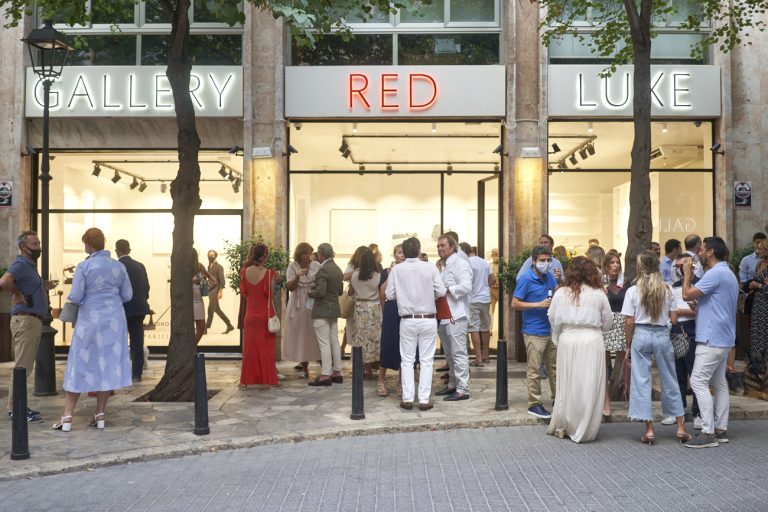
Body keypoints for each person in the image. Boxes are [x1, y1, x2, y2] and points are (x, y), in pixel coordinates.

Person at [53, 228, 133, 432]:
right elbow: (128, 294)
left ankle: (68, 416)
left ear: (88, 245)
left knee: (79, 363)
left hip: (89, 319)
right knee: (107, 364)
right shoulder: (119, 266)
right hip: (114, 320)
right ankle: (100, 413)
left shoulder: (84, 266)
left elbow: (76, 296)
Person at [622, 251, 691, 445]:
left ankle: (650, 430)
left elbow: (629, 321)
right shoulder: (667, 289)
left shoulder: (633, 291)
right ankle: (680, 427)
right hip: (661, 335)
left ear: (640, 267)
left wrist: (628, 344)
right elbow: (674, 319)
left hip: (641, 334)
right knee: (670, 379)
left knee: (641, 381)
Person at [546, 256, 613, 443]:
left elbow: (552, 317)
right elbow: (608, 322)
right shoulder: (599, 294)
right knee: (588, 384)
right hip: (591, 340)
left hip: (568, 339)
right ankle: (584, 425)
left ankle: (565, 424)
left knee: (568, 383)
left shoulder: (561, 293)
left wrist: (559, 335)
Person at [682, 236, 740, 448]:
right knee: (719, 383)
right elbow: (718, 304)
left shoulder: (714, 273)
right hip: (723, 337)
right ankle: (721, 429)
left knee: (697, 381)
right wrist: (701, 307)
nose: (698, 253)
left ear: (711, 252)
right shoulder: (729, 273)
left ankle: (707, 432)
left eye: (702, 249)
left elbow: (686, 293)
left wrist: (687, 275)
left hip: (711, 338)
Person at [0, 231, 57, 423]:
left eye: (39, 243)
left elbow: (27, 285)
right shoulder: (21, 264)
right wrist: (17, 293)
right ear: (23, 247)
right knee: (22, 368)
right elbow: (4, 281)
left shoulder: (30, 266)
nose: (38, 247)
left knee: (25, 367)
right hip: (26, 321)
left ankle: (19, 406)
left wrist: (43, 285)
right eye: (34, 244)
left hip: (32, 321)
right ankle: (16, 409)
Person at [385, 237, 446, 411]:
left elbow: (389, 294)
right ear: (419, 251)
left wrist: (404, 295)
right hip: (428, 318)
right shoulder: (430, 268)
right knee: (427, 360)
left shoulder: (397, 269)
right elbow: (441, 291)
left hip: (408, 319)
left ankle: (407, 399)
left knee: (407, 360)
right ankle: (424, 400)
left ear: (404, 252)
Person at [512, 244, 558, 419]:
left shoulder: (550, 277)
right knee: (534, 369)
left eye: (548, 260)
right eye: (542, 260)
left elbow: (555, 293)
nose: (545, 264)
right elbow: (515, 303)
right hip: (533, 331)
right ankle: (534, 403)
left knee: (555, 368)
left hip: (551, 329)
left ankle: (558, 400)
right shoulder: (526, 278)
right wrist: (538, 304)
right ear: (533, 261)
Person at [435, 236, 472, 402]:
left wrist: (447, 289)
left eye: (443, 245)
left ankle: (463, 389)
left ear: (452, 247)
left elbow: (466, 287)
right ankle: (452, 384)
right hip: (444, 315)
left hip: (457, 315)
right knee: (449, 353)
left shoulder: (460, 263)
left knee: (459, 353)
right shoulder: (444, 265)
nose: (440, 248)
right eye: (438, 246)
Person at [239, 243, 279, 388]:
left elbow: (245, 293)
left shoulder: (244, 272)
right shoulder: (269, 274)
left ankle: (246, 381)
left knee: (249, 350)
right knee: (266, 349)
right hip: (265, 316)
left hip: (249, 316)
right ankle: (268, 380)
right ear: (264, 257)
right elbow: (271, 294)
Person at [670, 253, 700, 426]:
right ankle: (678, 410)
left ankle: (697, 413)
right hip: (676, 331)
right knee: (678, 374)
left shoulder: (699, 284)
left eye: (681, 266)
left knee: (694, 374)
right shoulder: (673, 285)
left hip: (692, 331)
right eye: (676, 266)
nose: (678, 269)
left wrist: (681, 312)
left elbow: (701, 310)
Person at [282, 243, 321, 379]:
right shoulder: (292, 266)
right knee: (301, 335)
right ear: (299, 254)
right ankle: (304, 368)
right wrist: (297, 277)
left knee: (315, 333)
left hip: (313, 301)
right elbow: (290, 287)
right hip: (298, 303)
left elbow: (322, 282)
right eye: (305, 253)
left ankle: (325, 367)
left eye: (310, 253)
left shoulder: (316, 265)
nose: (308, 256)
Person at [308, 243, 344, 386]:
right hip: (334, 309)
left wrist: (310, 292)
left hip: (322, 310)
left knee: (324, 343)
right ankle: (337, 372)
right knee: (334, 340)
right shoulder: (337, 269)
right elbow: (340, 291)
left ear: (321, 254)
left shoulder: (323, 270)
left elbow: (321, 292)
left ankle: (325, 374)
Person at [115, 239, 150, 382]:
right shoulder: (140, 266)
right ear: (129, 250)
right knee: (137, 342)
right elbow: (146, 287)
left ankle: (121, 372)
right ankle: (137, 373)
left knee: (120, 342)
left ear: (116, 250)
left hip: (121, 308)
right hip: (139, 308)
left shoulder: (116, 266)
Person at [349, 248, 382, 380]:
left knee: (359, 338)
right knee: (372, 339)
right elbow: (381, 293)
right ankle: (368, 368)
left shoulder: (354, 275)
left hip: (359, 308)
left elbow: (350, 292)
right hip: (374, 308)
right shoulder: (378, 276)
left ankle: (360, 367)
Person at [600, 252, 627, 417]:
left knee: (626, 363)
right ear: (606, 265)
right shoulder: (599, 282)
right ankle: (605, 401)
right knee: (603, 365)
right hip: (605, 322)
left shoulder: (626, 282)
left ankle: (630, 396)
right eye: (612, 262)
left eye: (617, 262)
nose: (615, 265)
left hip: (622, 323)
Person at [377, 244, 405, 397]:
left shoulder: (408, 270)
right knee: (387, 344)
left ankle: (401, 381)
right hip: (391, 308)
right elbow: (382, 292)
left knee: (404, 346)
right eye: (399, 253)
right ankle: (381, 381)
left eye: (404, 253)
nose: (402, 255)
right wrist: (384, 310)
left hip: (405, 309)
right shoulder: (387, 271)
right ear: (394, 255)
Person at [464, 244, 496, 366]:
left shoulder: (467, 263)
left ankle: (478, 358)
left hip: (473, 300)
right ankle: (486, 355)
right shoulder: (484, 262)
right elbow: (493, 279)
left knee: (474, 328)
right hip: (485, 299)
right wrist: (485, 286)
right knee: (485, 327)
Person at [746, 241, 768, 375]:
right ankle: (755, 363)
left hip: (766, 305)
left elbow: (760, 285)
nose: (758, 252)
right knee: (756, 332)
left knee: (765, 333)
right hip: (757, 303)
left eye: (761, 249)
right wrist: (752, 285)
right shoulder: (760, 264)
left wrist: (758, 286)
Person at [206, 250, 235, 334]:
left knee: (211, 309)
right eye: (209, 255)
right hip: (210, 290)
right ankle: (229, 325)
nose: (210, 256)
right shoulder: (209, 266)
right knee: (216, 309)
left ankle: (205, 328)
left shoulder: (219, 267)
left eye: (212, 255)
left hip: (215, 290)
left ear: (215, 256)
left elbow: (222, 280)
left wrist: (220, 291)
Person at [192, 248, 216, 345]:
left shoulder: (199, 266)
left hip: (198, 301)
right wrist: (193, 281)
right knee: (190, 329)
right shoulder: (184, 267)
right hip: (187, 302)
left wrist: (206, 289)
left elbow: (213, 280)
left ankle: (192, 347)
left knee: (201, 328)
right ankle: (190, 348)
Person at [489, 248, 500, 335]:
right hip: (491, 290)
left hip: (500, 291)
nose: (494, 256)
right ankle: (489, 329)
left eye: (496, 254)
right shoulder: (489, 266)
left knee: (503, 311)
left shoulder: (503, 266)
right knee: (490, 311)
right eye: (493, 255)